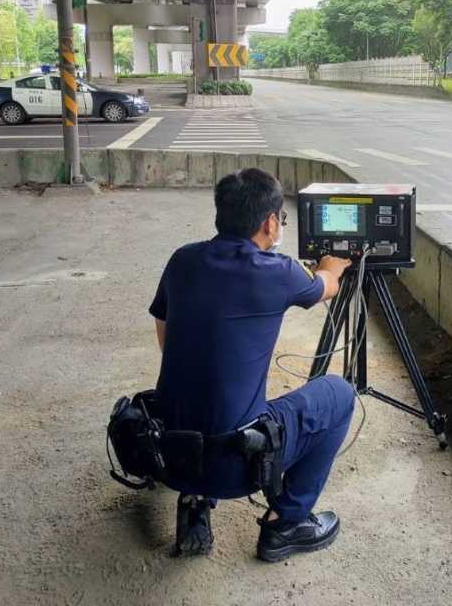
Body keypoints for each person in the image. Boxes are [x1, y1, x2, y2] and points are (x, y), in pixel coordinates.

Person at [148, 168, 354, 561]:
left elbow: (166, 334)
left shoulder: (183, 260)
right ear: (271, 222)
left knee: (202, 394)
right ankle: (286, 523)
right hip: (237, 467)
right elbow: (327, 285)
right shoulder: (278, 272)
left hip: (170, 453)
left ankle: (194, 502)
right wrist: (334, 264)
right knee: (339, 394)